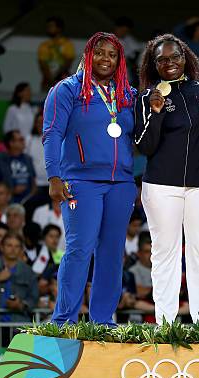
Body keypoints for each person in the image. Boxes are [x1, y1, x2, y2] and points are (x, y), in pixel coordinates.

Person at [43, 32, 137, 326]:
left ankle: (103, 320)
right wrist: (54, 176)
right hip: (81, 182)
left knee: (111, 254)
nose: (105, 59)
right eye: (99, 52)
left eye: (112, 54)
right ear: (87, 55)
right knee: (79, 248)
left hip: (121, 184)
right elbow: (52, 133)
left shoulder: (126, 96)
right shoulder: (66, 90)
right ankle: (64, 320)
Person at [135, 33, 199, 324]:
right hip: (160, 186)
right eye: (162, 59)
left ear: (185, 58)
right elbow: (144, 146)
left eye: (175, 57)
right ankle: (165, 322)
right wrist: (155, 113)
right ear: (153, 64)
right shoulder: (146, 97)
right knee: (164, 254)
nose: (169, 63)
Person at [0, 130, 36, 203]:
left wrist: (30, 197)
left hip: (28, 201)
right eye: (20, 139)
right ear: (11, 143)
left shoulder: (28, 159)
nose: (23, 141)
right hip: (8, 201)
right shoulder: (1, 159)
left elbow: (34, 182)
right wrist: (11, 190)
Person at [38, 16, 75, 92]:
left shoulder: (67, 44)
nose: (48, 28)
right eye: (47, 26)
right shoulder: (44, 45)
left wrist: (56, 77)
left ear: (59, 28)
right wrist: (50, 78)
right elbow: (42, 64)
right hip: (47, 81)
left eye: (51, 26)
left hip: (62, 79)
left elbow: (68, 62)